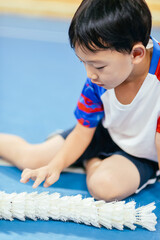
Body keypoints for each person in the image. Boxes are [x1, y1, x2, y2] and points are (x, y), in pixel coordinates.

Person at [0, 0, 160, 201]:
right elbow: (84, 130)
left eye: (99, 66)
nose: (90, 75)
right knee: (32, 158)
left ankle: (91, 161)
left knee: (105, 188)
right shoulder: (97, 80)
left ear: (136, 54)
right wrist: (55, 165)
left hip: (143, 153)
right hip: (103, 131)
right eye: (84, 63)